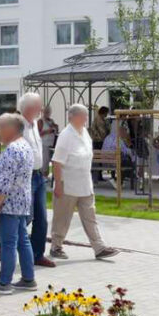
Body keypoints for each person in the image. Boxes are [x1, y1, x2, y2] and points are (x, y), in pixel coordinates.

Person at [50, 104, 119, 261]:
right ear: (73, 117)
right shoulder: (66, 135)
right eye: (84, 116)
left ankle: (99, 247)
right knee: (62, 218)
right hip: (68, 185)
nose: (87, 119)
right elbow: (57, 162)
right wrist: (59, 185)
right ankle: (56, 246)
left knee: (90, 217)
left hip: (85, 185)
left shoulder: (85, 134)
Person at [0, 113, 37, 295]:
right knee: (23, 241)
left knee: (8, 243)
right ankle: (28, 278)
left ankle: (4, 282)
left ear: (10, 128)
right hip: (21, 202)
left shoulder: (12, 150)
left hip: (8, 204)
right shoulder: (25, 146)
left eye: (0, 127)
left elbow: (4, 183)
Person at [19, 92, 53, 268]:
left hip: (39, 175)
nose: (42, 109)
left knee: (42, 217)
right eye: (39, 105)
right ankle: (1, 239)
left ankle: (37, 254)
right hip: (25, 176)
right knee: (26, 216)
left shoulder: (33, 125)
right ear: (30, 107)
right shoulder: (18, 125)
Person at [39, 106, 59, 176]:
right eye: (46, 112)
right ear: (42, 112)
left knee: (52, 161)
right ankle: (43, 177)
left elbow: (56, 130)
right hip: (44, 144)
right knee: (45, 162)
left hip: (52, 144)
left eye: (48, 112)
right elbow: (38, 134)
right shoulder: (40, 121)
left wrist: (56, 128)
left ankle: (48, 176)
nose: (47, 113)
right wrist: (48, 131)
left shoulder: (51, 121)